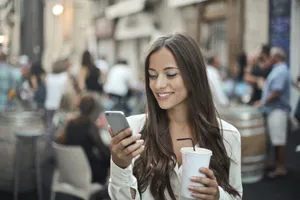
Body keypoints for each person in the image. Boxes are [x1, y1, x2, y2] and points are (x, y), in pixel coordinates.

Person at [108, 33, 242, 200]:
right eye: (152, 75)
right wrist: (120, 165)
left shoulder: (228, 135)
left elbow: (236, 196)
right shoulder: (134, 130)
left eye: (170, 74)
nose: (159, 85)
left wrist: (217, 196)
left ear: (193, 75)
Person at [56, 94, 110, 198]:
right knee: (108, 159)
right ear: (93, 110)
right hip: (88, 172)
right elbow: (103, 150)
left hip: (70, 171)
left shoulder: (70, 123)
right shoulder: (90, 126)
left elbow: (60, 141)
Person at [256, 47, 291, 178]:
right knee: (276, 140)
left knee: (279, 140)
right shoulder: (279, 69)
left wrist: (263, 102)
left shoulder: (281, 70)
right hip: (274, 110)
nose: (269, 59)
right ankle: (277, 164)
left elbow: (276, 91)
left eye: (271, 56)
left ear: (276, 57)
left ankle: (281, 167)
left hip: (278, 110)